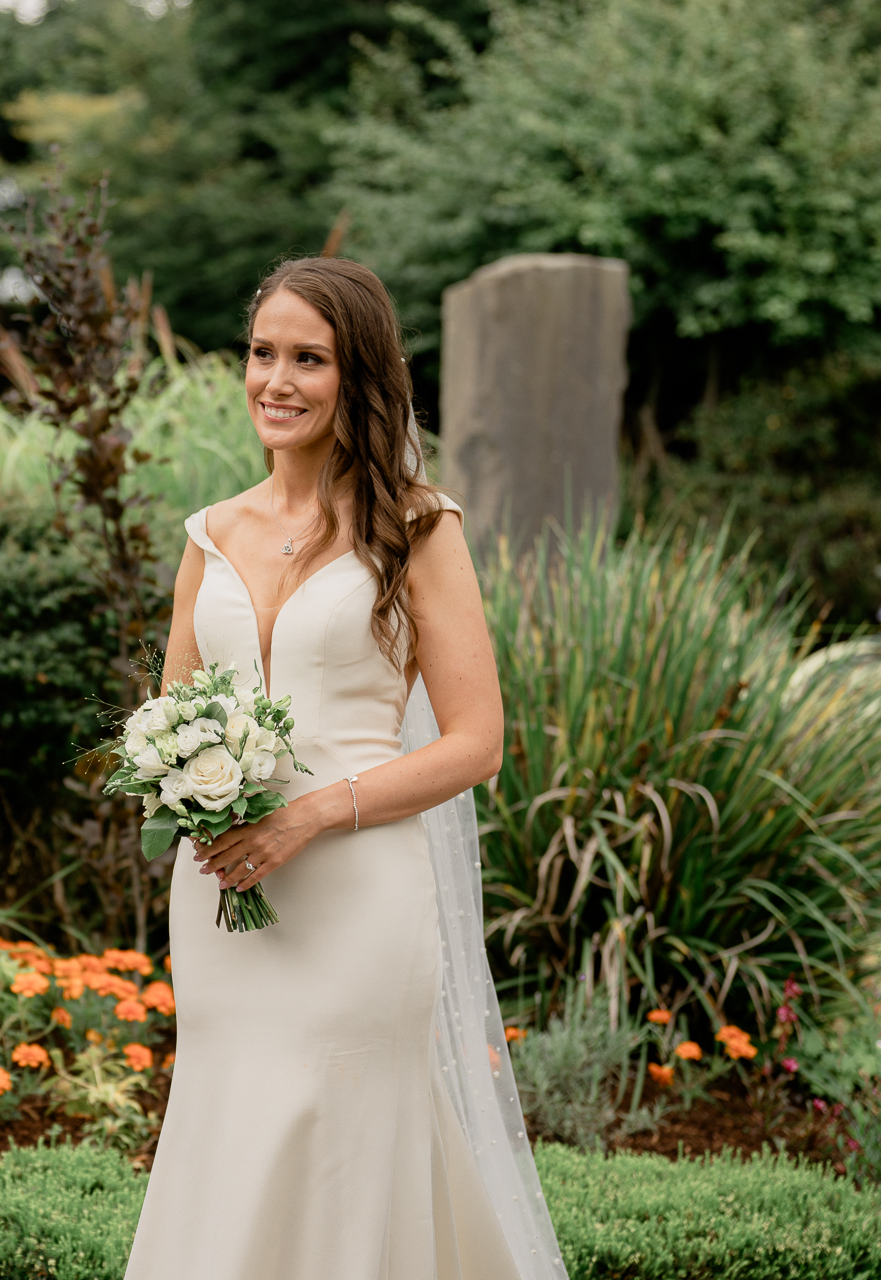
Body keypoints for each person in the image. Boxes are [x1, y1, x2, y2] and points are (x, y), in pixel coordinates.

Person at [124, 258, 564, 1279]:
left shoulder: (416, 526)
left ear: (356, 374)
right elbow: (169, 716)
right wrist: (185, 794)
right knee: (232, 1127)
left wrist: (310, 813)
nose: (276, 379)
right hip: (224, 894)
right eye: (263, 353)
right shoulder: (210, 535)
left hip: (360, 899)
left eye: (307, 359)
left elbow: (474, 740)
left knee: (342, 1138)